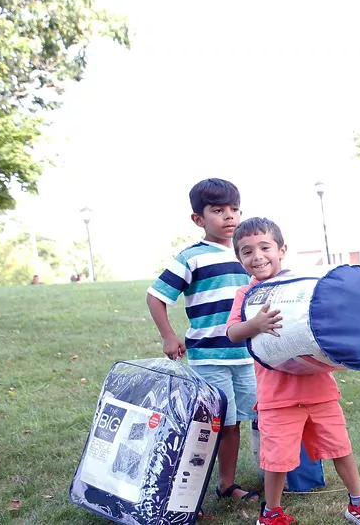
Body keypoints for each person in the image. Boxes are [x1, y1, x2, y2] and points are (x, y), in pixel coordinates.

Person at [226, 218, 360, 525]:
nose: (258, 256)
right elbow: (233, 332)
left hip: (319, 391)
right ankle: (271, 512)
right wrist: (255, 325)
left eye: (265, 247)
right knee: (277, 459)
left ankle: (358, 501)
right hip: (276, 397)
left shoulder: (301, 282)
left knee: (340, 447)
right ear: (240, 259)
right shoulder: (245, 295)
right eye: (247, 251)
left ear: (282, 250)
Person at [145, 178, 258, 502]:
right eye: (218, 210)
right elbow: (156, 296)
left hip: (247, 355)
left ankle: (275, 470)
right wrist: (169, 336)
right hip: (209, 357)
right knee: (223, 422)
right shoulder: (191, 257)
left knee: (257, 414)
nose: (229, 217)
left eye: (234, 209)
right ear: (199, 219)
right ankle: (220, 484)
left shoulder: (247, 253)